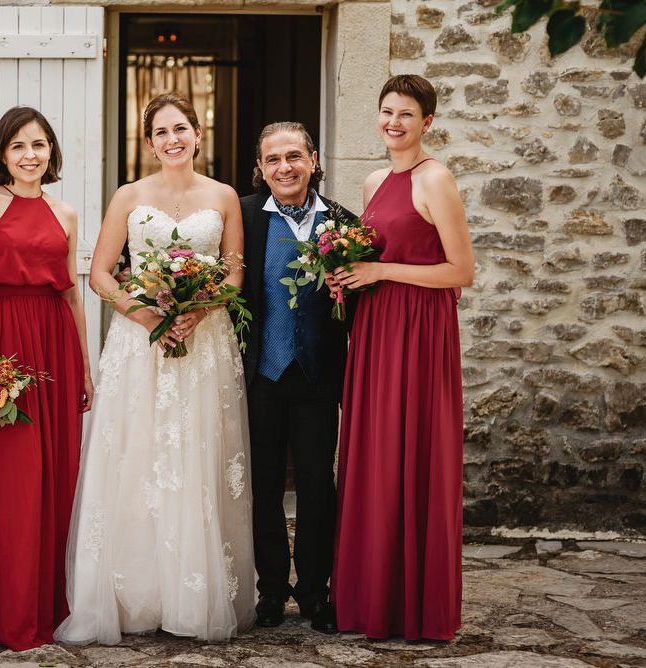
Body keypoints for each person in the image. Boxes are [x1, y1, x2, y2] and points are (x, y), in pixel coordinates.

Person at [55, 92, 255, 645]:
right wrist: (151, 318)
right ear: (149, 143)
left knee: (197, 457)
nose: (173, 139)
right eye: (161, 132)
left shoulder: (223, 196)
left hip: (205, 341)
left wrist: (196, 309)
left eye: (181, 129)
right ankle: (133, 595)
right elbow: (99, 275)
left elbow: (235, 275)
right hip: (140, 344)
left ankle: (192, 597)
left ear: (197, 134)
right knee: (140, 457)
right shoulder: (129, 195)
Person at [329, 74, 474, 640]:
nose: (394, 122)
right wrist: (345, 276)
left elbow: (461, 271)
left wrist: (380, 270)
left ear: (428, 122)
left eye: (406, 114)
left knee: (411, 451)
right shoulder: (373, 181)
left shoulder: (436, 179)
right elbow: (374, 253)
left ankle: (416, 604)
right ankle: (373, 598)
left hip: (418, 334)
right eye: (386, 111)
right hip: (377, 329)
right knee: (374, 454)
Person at [0, 106, 93, 650]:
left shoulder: (65, 212)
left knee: (55, 475)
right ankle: (4, 609)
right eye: (18, 146)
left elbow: (70, 292)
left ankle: (44, 607)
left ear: (52, 152)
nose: (30, 155)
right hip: (5, 344)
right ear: (2, 154)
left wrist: (84, 366)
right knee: (10, 480)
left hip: (55, 347)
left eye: (39, 145)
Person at [239, 122, 353, 634]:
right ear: (260, 169)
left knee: (315, 487)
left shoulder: (344, 222)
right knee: (262, 488)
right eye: (272, 160)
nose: (284, 168)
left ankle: (313, 593)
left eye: (293, 156)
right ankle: (269, 593)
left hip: (316, 378)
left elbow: (361, 301)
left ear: (312, 159)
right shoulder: (242, 217)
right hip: (260, 375)